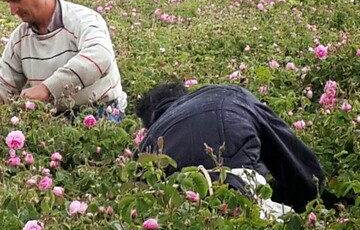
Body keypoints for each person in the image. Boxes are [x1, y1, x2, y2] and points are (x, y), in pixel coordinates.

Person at [136, 82, 325, 214]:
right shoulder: (228, 95)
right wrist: (310, 199)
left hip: (192, 216)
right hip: (248, 190)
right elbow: (293, 162)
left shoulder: (148, 144)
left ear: (148, 124)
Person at [0, 0, 127, 115]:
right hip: (52, 116)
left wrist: (47, 88)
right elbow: (5, 80)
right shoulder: (20, 37)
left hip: (100, 112)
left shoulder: (83, 20)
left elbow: (100, 56)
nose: (13, 10)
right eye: (9, 2)